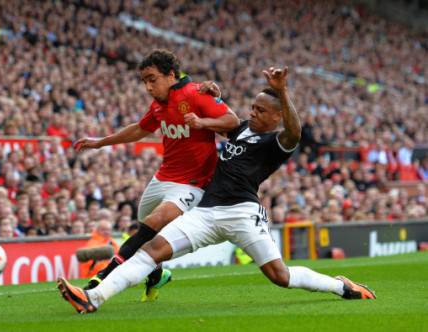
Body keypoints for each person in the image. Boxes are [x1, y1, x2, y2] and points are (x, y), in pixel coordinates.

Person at [57, 67, 376, 314]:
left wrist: (283, 91)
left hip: (243, 214)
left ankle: (340, 287)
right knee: (153, 250)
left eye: (262, 111)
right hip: (207, 212)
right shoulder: (241, 131)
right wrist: (213, 93)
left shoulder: (276, 143)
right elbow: (219, 115)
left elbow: (295, 131)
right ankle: (93, 298)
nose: (254, 112)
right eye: (253, 107)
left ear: (277, 116)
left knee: (281, 277)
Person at [74, 49, 239, 297]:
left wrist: (203, 124)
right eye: (144, 82)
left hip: (192, 183)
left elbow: (232, 120)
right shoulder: (158, 105)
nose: (148, 87)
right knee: (144, 232)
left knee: (154, 222)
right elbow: (139, 130)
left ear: (171, 75)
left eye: (152, 79)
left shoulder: (196, 93)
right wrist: (100, 142)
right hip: (163, 178)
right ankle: (157, 274)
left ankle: (102, 278)